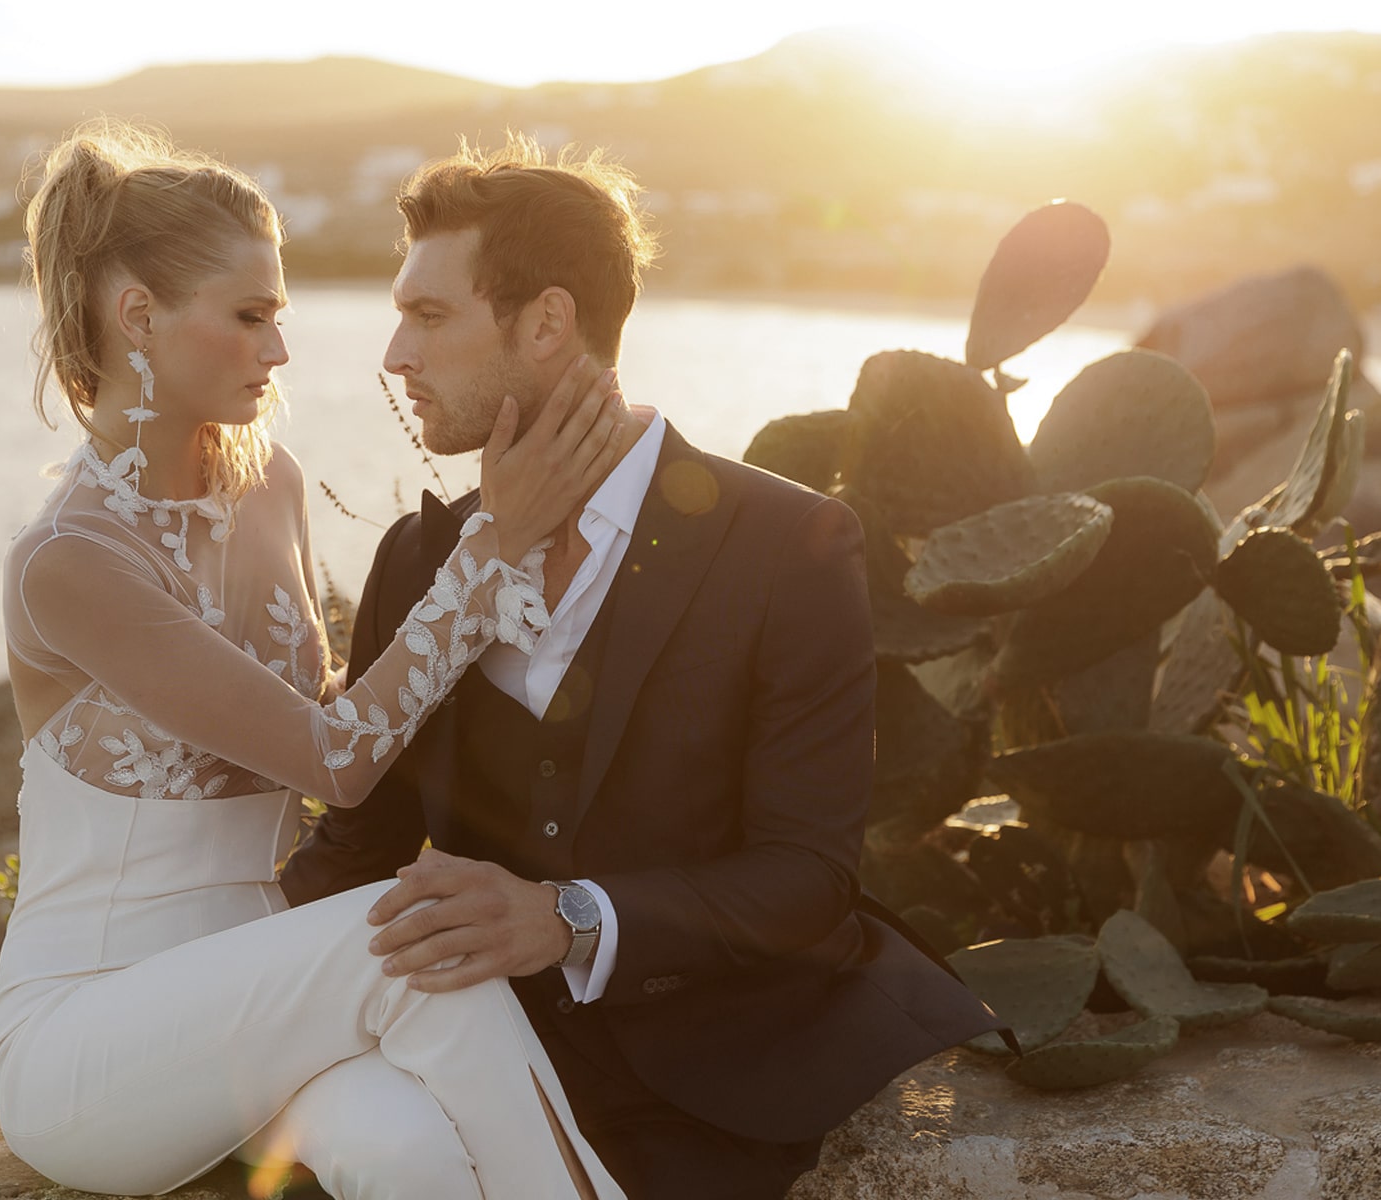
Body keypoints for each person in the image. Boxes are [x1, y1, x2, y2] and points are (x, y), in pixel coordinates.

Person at [275, 137, 1009, 1200]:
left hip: (729, 1066)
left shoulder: (785, 546)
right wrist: (186, 989)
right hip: (479, 1051)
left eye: (430, 317)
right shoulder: (420, 560)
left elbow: (808, 878)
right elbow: (361, 845)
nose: (395, 354)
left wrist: (565, 918)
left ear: (547, 324)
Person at [0, 120, 630, 1199]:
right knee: (423, 957)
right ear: (138, 316)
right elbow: (336, 759)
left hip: (260, 999)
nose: (280, 352)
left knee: (408, 1152)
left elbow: (319, 711)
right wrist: (494, 549)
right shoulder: (69, 563)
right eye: (250, 317)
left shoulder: (273, 486)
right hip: (90, 1041)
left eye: (276, 316)